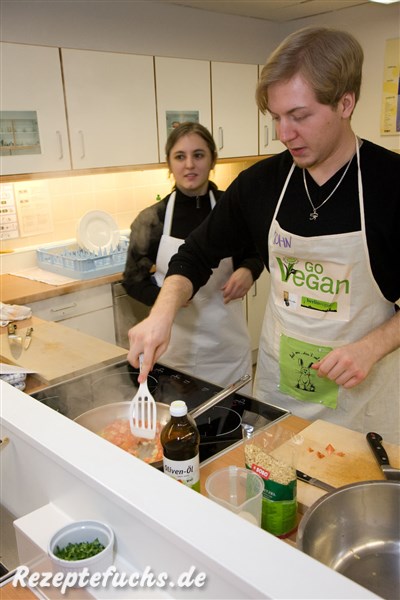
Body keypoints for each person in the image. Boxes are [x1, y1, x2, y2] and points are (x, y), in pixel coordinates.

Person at [127, 28, 400, 444]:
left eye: (299, 115)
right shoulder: (260, 185)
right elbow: (195, 254)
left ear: (346, 103)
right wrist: (161, 314)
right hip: (281, 393)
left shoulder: (392, 185)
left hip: (364, 400)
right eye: (276, 117)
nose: (283, 133)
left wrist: (372, 346)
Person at [122, 122, 263, 388]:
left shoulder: (231, 209)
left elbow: (255, 251)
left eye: (198, 155)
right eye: (180, 156)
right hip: (174, 351)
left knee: (230, 425)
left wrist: (249, 269)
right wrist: (168, 298)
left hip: (227, 350)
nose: (189, 164)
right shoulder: (154, 219)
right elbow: (132, 279)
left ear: (212, 160)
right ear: (169, 164)